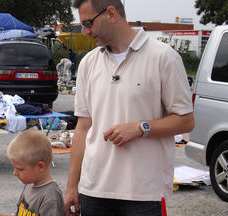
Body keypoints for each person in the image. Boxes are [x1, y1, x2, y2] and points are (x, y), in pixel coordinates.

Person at [64, 1, 195, 216]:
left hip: (143, 194)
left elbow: (186, 121)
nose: (85, 31)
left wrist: (140, 127)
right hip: (94, 191)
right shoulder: (88, 63)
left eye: (88, 23)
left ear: (111, 14)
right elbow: (83, 127)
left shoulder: (164, 57)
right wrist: (72, 187)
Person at [0, 130, 65, 216]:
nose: (14, 173)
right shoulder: (30, 184)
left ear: (40, 166)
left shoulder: (50, 198)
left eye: (20, 169)